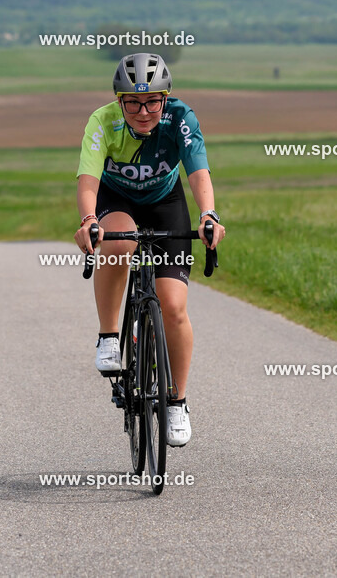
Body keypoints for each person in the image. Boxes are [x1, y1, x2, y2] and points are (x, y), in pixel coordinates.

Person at [74, 53, 226, 447]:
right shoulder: (102, 121)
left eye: (153, 101)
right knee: (117, 238)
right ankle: (109, 336)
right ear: (119, 100)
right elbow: (88, 178)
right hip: (116, 199)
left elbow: (197, 170)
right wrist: (89, 220)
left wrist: (208, 214)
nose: (143, 112)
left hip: (165, 203)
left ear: (166, 98)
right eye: (133, 102)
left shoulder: (181, 118)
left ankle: (176, 402)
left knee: (173, 307)